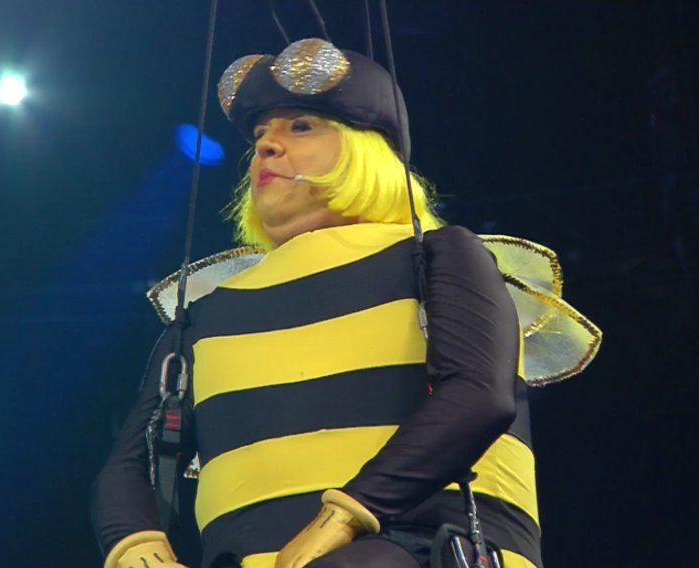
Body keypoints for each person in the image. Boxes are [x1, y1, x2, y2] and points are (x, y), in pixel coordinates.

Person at [91, 39, 600, 568]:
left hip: (419, 547)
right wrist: (137, 545)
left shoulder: (438, 257)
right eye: (260, 136)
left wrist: (347, 515)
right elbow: (131, 462)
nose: (266, 147)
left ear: (365, 151)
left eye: (300, 127)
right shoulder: (207, 312)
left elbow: (478, 395)